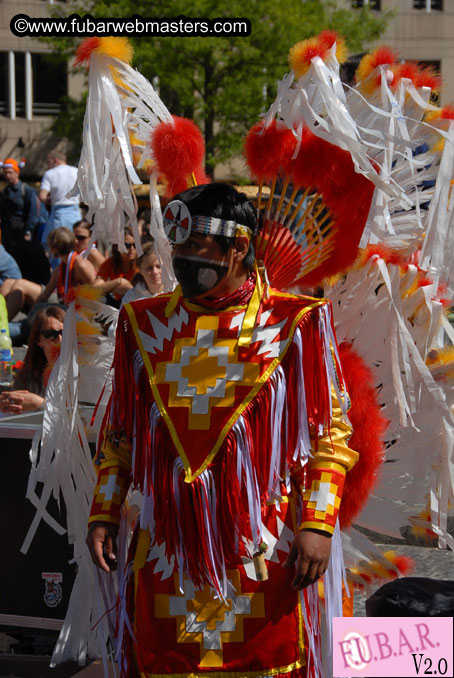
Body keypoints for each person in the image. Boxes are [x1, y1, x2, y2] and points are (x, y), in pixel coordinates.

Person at [86, 183, 358, 678]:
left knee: (265, 660)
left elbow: (329, 437)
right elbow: (120, 435)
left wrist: (317, 523)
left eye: (196, 246)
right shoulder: (143, 325)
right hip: (169, 547)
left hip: (262, 544)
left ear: (237, 247)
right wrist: (104, 509)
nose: (182, 259)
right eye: (177, 246)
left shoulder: (294, 322)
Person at [0, 305, 65, 414]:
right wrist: (6, 405)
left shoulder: (83, 372)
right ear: (39, 340)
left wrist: (41, 404)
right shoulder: (29, 375)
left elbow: (82, 416)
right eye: (51, 334)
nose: (60, 339)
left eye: (64, 333)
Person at [39, 150, 81, 248]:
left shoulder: (50, 173)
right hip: (75, 213)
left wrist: (49, 200)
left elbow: (42, 196)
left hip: (58, 214)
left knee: (57, 245)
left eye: (48, 162)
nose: (47, 165)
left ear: (55, 160)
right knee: (73, 245)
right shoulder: (76, 171)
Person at [94, 226, 138, 305]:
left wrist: (113, 287)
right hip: (117, 304)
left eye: (135, 245)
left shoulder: (141, 262)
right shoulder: (110, 263)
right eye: (127, 245)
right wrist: (118, 281)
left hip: (136, 302)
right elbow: (94, 289)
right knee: (99, 298)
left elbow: (139, 292)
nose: (132, 249)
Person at [0, 158, 39, 249]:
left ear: (17, 173)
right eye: (5, 172)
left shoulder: (26, 190)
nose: (7, 175)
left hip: (21, 233)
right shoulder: (5, 191)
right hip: (7, 233)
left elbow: (34, 213)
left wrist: (28, 231)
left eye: (10, 172)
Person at [121, 240, 163, 304]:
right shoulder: (131, 298)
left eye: (158, 266)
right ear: (140, 270)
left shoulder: (177, 290)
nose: (155, 272)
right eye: (149, 268)